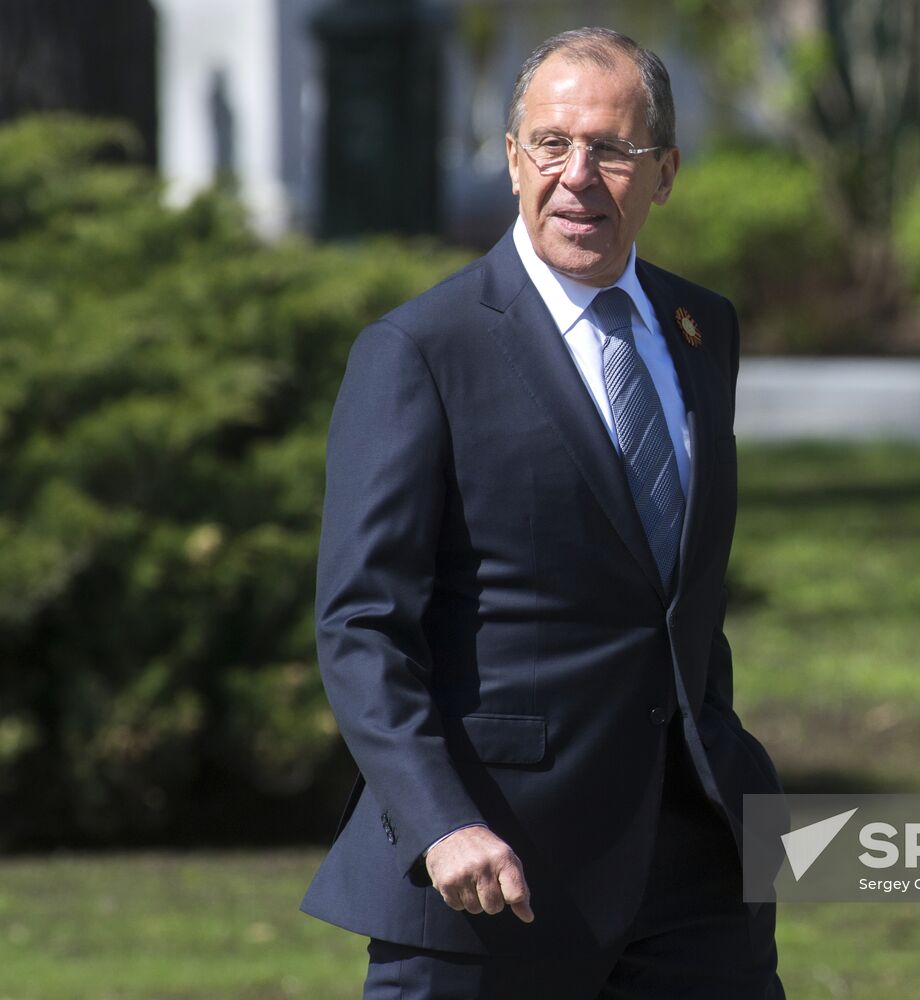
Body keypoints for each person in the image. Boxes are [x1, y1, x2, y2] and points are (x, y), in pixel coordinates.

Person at [300, 26, 787, 999]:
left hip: (692, 864)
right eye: (552, 145)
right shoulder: (422, 350)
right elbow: (361, 625)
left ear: (665, 173)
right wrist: (441, 822)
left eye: (611, 149)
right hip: (494, 870)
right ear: (515, 159)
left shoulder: (703, 330)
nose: (579, 176)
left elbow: (675, 596)